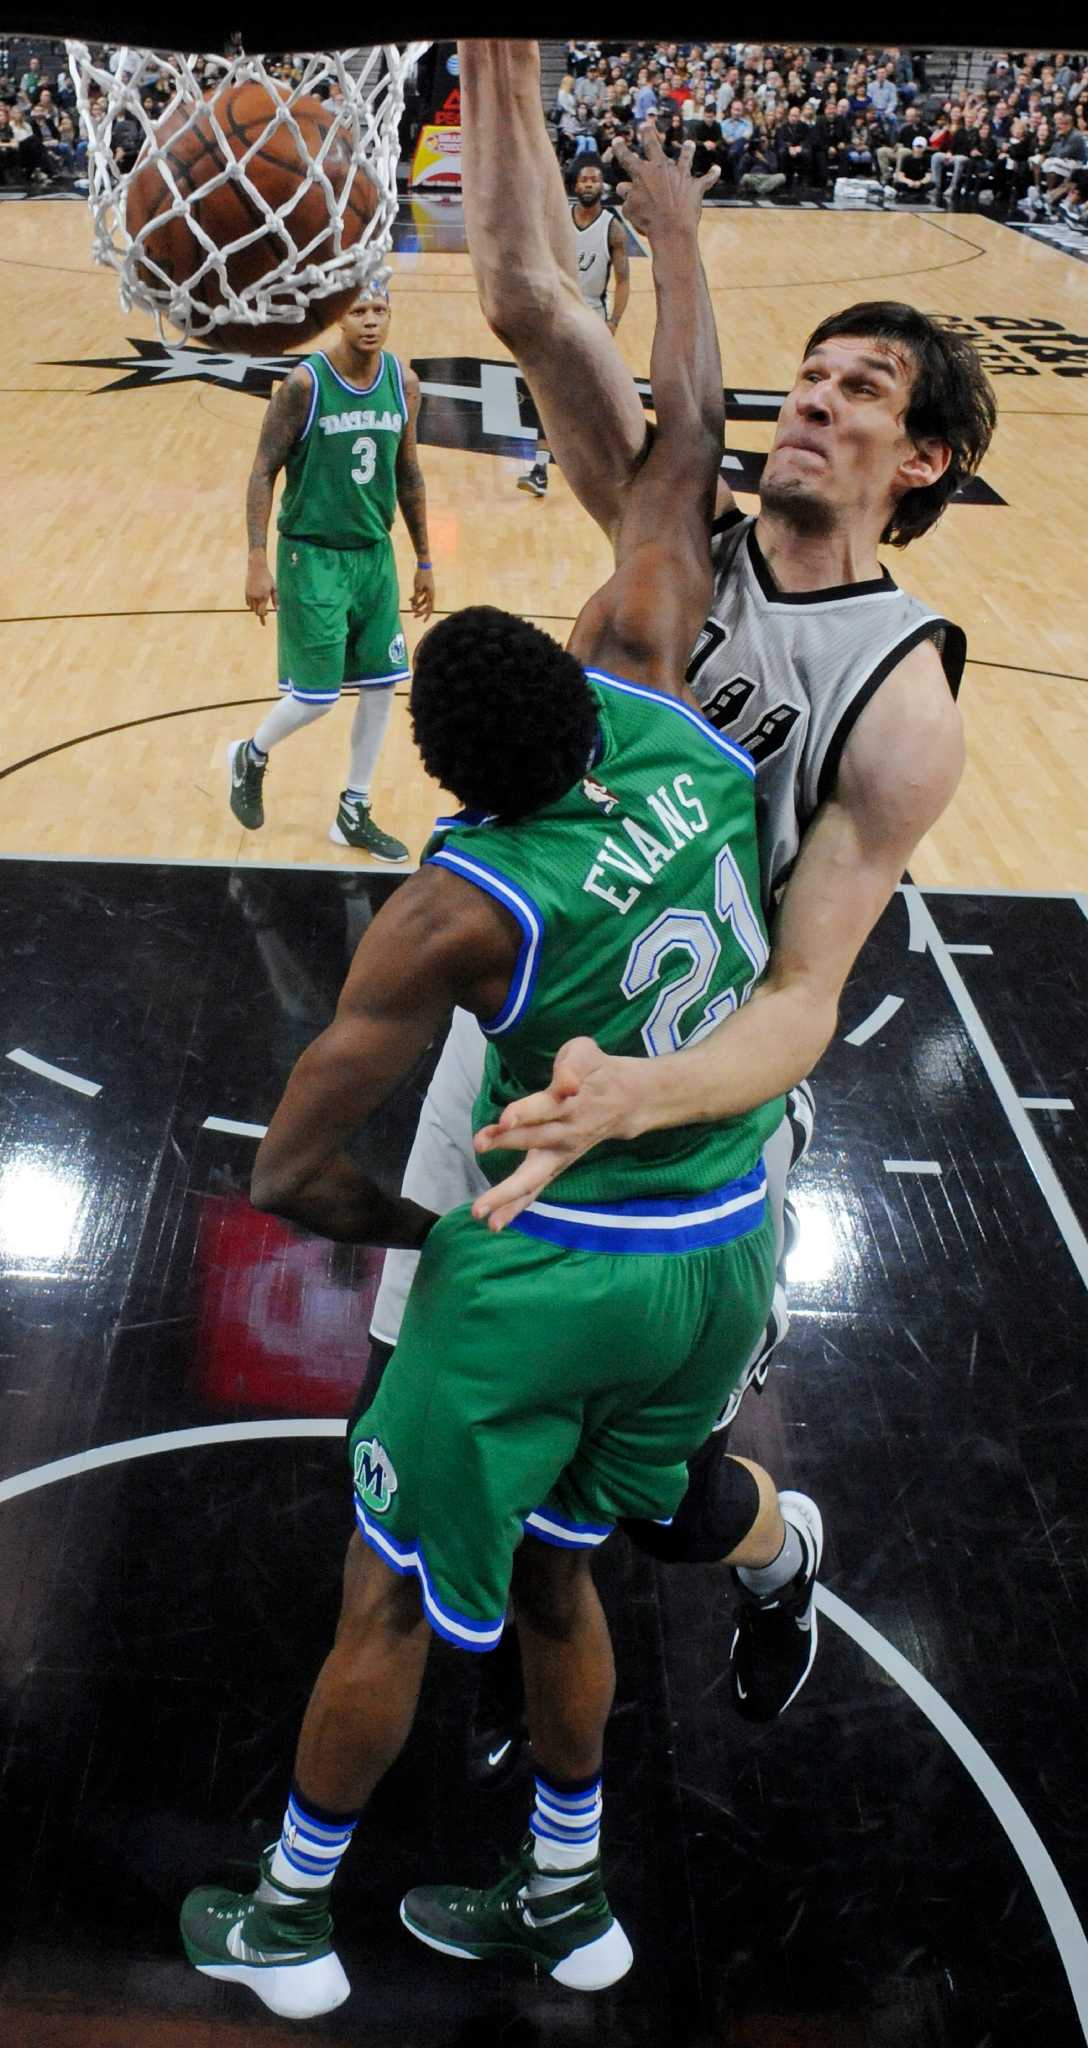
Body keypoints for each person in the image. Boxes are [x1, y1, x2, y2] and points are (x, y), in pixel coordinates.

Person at [181, 128, 819, 2020]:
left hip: (543, 1269)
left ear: (454, 781)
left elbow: (297, 1174)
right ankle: (565, 1894)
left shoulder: (455, 908)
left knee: (384, 1596)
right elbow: (684, 445)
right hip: (719, 1252)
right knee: (563, 1579)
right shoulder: (673, 710)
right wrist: (681, 244)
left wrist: (418, 1228)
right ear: (587, 686)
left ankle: (289, 1924)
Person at [365, 39, 996, 1776]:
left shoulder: (898, 699)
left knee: (630, 1501)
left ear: (922, 460)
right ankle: (488, 1666)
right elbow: (520, 294)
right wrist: (499, 69)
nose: (810, 397)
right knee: (442, 1392)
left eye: (860, 387)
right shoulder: (672, 538)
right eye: (804, 372)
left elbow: (800, 996)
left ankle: (775, 1549)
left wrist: (646, 1090)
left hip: (690, 1104)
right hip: (523, 1047)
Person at [229, 285, 434, 863]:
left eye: (380, 310)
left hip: (374, 556)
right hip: (311, 556)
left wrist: (423, 559)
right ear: (337, 318)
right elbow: (262, 471)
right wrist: (254, 558)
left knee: (380, 688)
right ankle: (252, 754)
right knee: (317, 699)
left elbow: (409, 474)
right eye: (358, 311)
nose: (370, 322)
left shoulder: (404, 383)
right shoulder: (304, 385)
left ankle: (354, 810)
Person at [518, 159, 630, 499]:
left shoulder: (613, 228)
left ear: (602, 186)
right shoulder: (558, 223)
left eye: (595, 179)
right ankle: (539, 468)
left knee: (595, 397)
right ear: (575, 185)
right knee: (547, 393)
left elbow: (624, 280)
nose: (589, 184)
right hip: (557, 319)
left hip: (593, 319)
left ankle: (612, 466)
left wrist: (613, 322)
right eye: (584, 179)